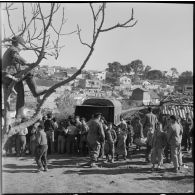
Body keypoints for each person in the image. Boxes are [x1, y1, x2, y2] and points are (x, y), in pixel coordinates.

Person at [2, 36, 47, 119]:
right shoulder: (13, 49)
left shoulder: (8, 51)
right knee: (29, 72)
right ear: (18, 44)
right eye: (22, 45)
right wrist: (27, 63)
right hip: (10, 76)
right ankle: (35, 92)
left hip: (7, 77)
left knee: (20, 92)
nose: (22, 47)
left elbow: (15, 63)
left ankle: (19, 113)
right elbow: (16, 56)